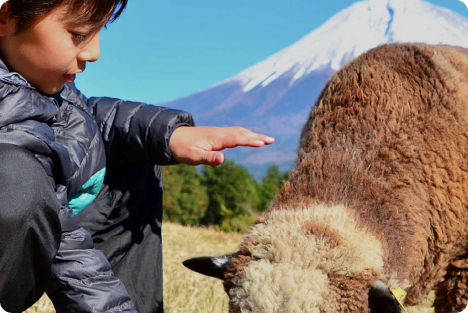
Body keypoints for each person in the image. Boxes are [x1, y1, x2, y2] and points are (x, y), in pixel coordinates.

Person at [0, 1, 274, 312]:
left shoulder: (28, 82)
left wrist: (167, 134)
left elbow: (78, 117)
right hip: (22, 240)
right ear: (5, 17)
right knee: (18, 180)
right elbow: (67, 248)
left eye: (98, 32)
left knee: (131, 155)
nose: (94, 53)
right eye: (79, 34)